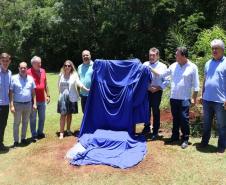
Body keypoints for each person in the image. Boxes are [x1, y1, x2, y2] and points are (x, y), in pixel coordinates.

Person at [150, 47, 199, 149]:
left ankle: (185, 138)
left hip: (185, 98)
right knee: (175, 118)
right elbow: (161, 75)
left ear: (183, 56)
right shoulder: (173, 66)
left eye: (177, 55)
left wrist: (194, 98)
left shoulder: (192, 67)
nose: (175, 56)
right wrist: (150, 69)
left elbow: (196, 85)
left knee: (184, 118)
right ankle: (175, 136)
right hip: (174, 97)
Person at [200, 39, 226, 153]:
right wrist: (202, 95)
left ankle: (221, 146)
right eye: (213, 48)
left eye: (216, 48)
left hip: (221, 101)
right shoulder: (207, 63)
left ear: (222, 50)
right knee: (206, 124)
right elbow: (205, 80)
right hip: (207, 99)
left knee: (222, 125)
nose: (214, 50)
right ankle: (204, 142)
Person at [57, 60, 89, 139]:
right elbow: (58, 85)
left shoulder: (74, 75)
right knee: (63, 115)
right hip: (62, 97)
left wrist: (86, 89)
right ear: (63, 66)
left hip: (72, 96)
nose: (67, 67)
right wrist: (60, 95)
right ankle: (61, 132)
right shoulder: (61, 74)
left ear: (71, 67)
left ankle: (68, 130)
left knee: (69, 114)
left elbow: (79, 83)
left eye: (69, 65)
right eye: (65, 65)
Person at [143, 48, 169, 140]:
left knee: (155, 110)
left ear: (158, 56)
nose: (151, 57)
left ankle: (155, 131)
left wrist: (158, 88)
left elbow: (166, 81)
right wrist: (148, 87)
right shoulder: (145, 64)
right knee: (146, 110)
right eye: (150, 55)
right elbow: (141, 78)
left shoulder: (163, 66)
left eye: (153, 55)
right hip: (146, 90)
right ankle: (146, 128)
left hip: (157, 91)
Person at [9, 62, 36, 146]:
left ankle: (23, 138)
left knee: (25, 122)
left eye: (24, 68)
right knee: (17, 123)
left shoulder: (31, 79)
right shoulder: (13, 78)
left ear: (27, 68)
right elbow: (10, 93)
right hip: (17, 104)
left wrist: (34, 103)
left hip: (28, 104)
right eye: (21, 68)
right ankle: (16, 141)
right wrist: (12, 105)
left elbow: (33, 92)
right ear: (19, 68)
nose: (23, 69)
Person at [27, 56, 50, 141]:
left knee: (42, 117)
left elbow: (46, 84)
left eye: (40, 62)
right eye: (38, 63)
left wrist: (48, 95)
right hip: (32, 100)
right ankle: (34, 135)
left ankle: (40, 132)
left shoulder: (43, 71)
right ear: (33, 64)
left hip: (42, 99)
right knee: (33, 118)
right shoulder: (28, 72)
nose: (40, 64)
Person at [0, 53, 12, 151]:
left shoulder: (10, 73)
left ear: (9, 61)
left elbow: (10, 89)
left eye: (6, 61)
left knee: (3, 124)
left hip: (5, 104)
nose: (5, 62)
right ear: (0, 61)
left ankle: (0, 144)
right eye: (3, 60)